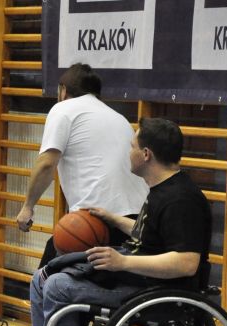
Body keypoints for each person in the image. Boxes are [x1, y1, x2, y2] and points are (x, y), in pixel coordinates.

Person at [18, 118, 212, 326]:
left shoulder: (182, 200)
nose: (129, 152)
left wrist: (122, 262)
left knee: (58, 286)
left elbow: (186, 263)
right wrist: (112, 219)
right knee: (44, 277)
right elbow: (152, 237)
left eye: (132, 146)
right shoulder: (162, 189)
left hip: (157, 290)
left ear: (146, 155)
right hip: (141, 279)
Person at [15, 63, 148, 267]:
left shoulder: (63, 109)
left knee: (44, 281)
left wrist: (27, 207)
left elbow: (46, 164)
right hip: (135, 223)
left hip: (96, 218)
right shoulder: (119, 118)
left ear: (63, 90)